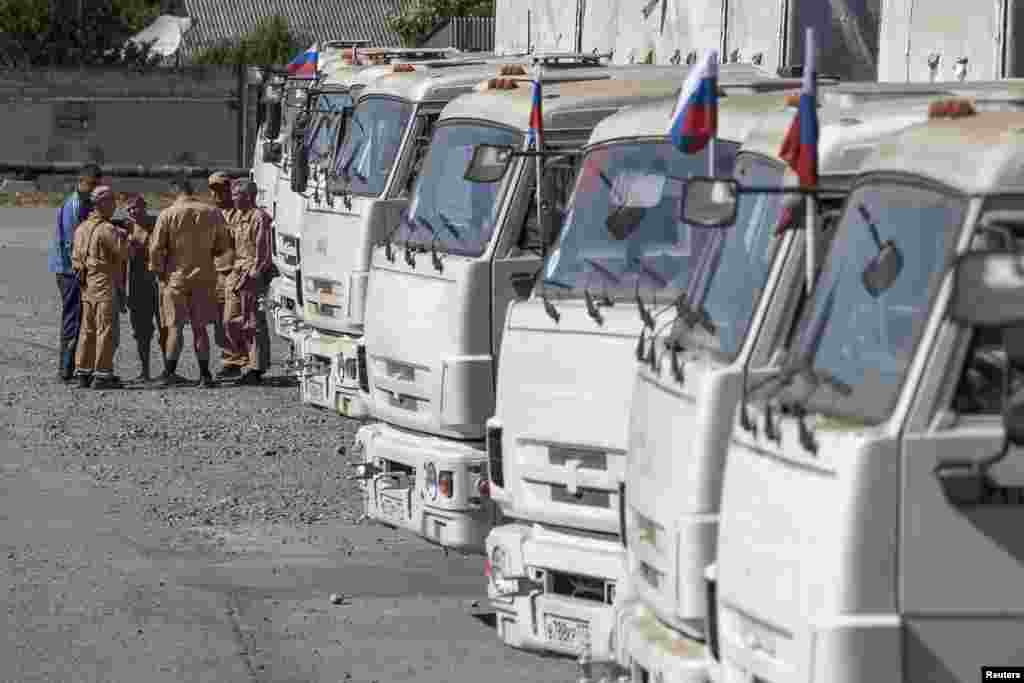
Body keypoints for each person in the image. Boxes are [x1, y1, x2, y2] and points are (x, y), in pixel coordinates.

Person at [149, 175, 233, 388]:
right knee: (200, 328)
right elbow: (224, 245)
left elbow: (156, 248)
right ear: (191, 190)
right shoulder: (212, 212)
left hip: (176, 277)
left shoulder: (167, 214)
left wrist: (158, 271)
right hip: (204, 276)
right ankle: (205, 375)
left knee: (175, 326)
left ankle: (169, 372)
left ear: (174, 191)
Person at [71, 185, 128, 390]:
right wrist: (125, 235)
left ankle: (83, 372)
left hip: (87, 288)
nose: (114, 206)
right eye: (112, 201)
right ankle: (103, 374)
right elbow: (124, 254)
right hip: (104, 287)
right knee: (106, 331)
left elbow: (76, 260)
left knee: (88, 331)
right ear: (101, 204)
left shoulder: (81, 228)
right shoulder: (107, 229)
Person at [48, 163, 101, 382]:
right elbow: (72, 242)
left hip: (74, 269)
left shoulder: (86, 202)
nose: (95, 189)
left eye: (97, 185)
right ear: (82, 181)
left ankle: (73, 367)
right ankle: (65, 369)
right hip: (69, 271)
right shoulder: (75, 204)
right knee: (73, 318)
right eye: (92, 184)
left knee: (80, 318)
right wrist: (81, 271)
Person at [222, 178, 273, 385]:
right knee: (230, 320)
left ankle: (256, 368)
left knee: (253, 322)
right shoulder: (237, 217)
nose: (233, 199)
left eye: (237, 195)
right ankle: (240, 359)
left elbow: (263, 252)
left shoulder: (259, 218)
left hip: (252, 274)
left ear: (249, 196)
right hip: (237, 271)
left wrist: (255, 274)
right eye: (233, 195)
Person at [118, 194, 165, 381]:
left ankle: (168, 370)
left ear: (145, 207)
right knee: (141, 332)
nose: (132, 212)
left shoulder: (158, 223)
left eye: (135, 207)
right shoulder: (125, 228)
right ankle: (144, 371)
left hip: (159, 284)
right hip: (138, 286)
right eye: (128, 209)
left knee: (166, 328)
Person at [207, 172, 235, 364]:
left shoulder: (240, 211)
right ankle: (228, 358)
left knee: (232, 319)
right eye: (214, 189)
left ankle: (236, 360)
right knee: (218, 321)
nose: (218, 194)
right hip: (214, 272)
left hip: (233, 271)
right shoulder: (209, 213)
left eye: (222, 189)